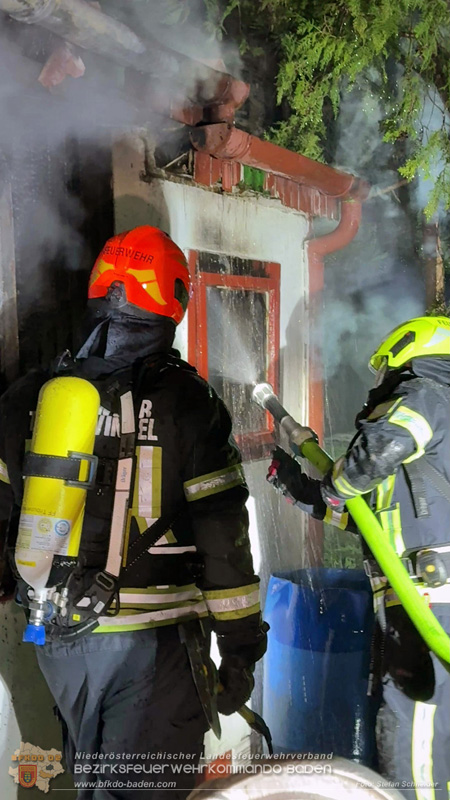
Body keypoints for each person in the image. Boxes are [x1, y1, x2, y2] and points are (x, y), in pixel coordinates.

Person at [0, 225, 267, 799]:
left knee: (96, 784)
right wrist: (243, 644)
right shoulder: (186, 402)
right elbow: (222, 533)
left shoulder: (30, 396)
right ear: (173, 301)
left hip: (58, 639)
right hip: (153, 642)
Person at [266, 316, 450, 800]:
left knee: (413, 740)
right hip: (412, 604)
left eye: (383, 372)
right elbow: (369, 524)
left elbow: (375, 453)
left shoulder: (429, 392)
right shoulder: (430, 428)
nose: (380, 385)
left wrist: (334, 485)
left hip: (429, 605)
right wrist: (303, 489)